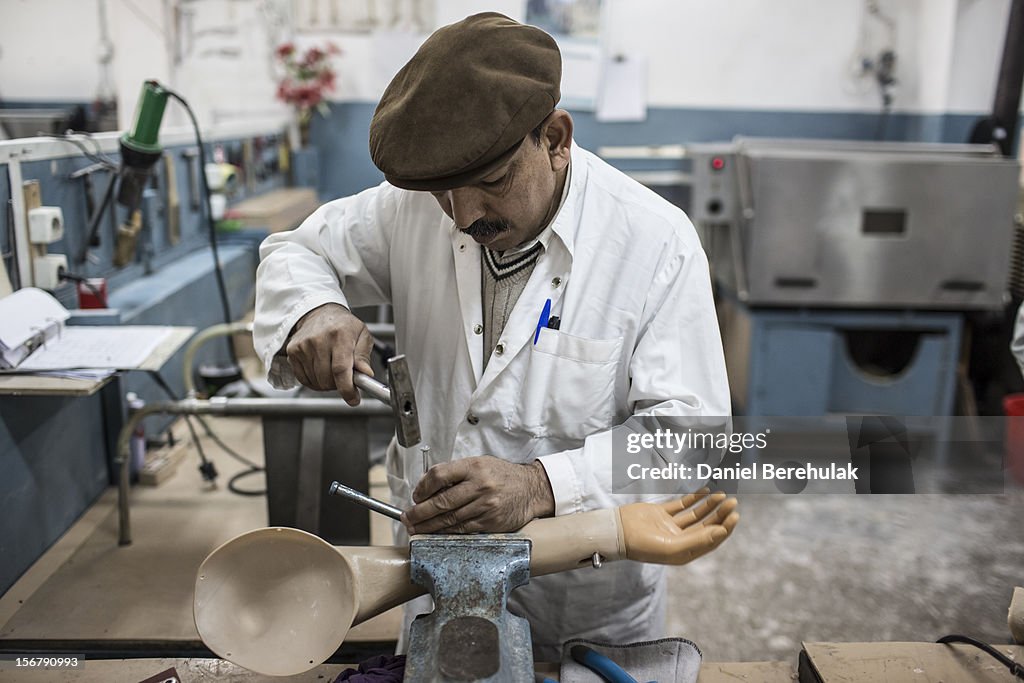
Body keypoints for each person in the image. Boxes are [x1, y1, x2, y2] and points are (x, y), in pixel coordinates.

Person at [254, 12, 730, 660]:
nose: (465, 215)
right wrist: (315, 311)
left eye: (492, 181)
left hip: (587, 616)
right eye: (443, 194)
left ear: (556, 138)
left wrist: (541, 483)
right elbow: (296, 250)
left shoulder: (654, 243)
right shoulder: (412, 210)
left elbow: (691, 438)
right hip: (437, 592)